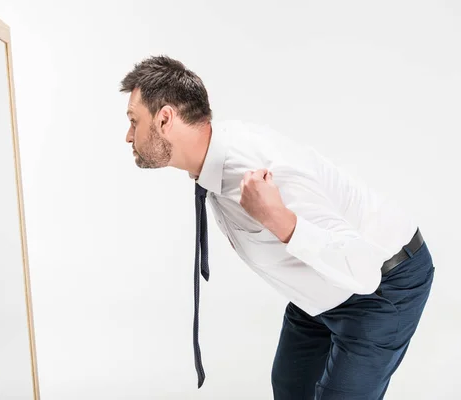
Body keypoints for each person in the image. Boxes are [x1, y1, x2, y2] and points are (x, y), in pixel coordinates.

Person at [118, 55, 434, 400]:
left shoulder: (259, 166)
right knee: (290, 389)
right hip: (319, 291)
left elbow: (363, 269)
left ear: (165, 119)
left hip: (383, 284)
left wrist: (281, 220)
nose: (128, 135)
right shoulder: (211, 161)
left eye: (135, 121)